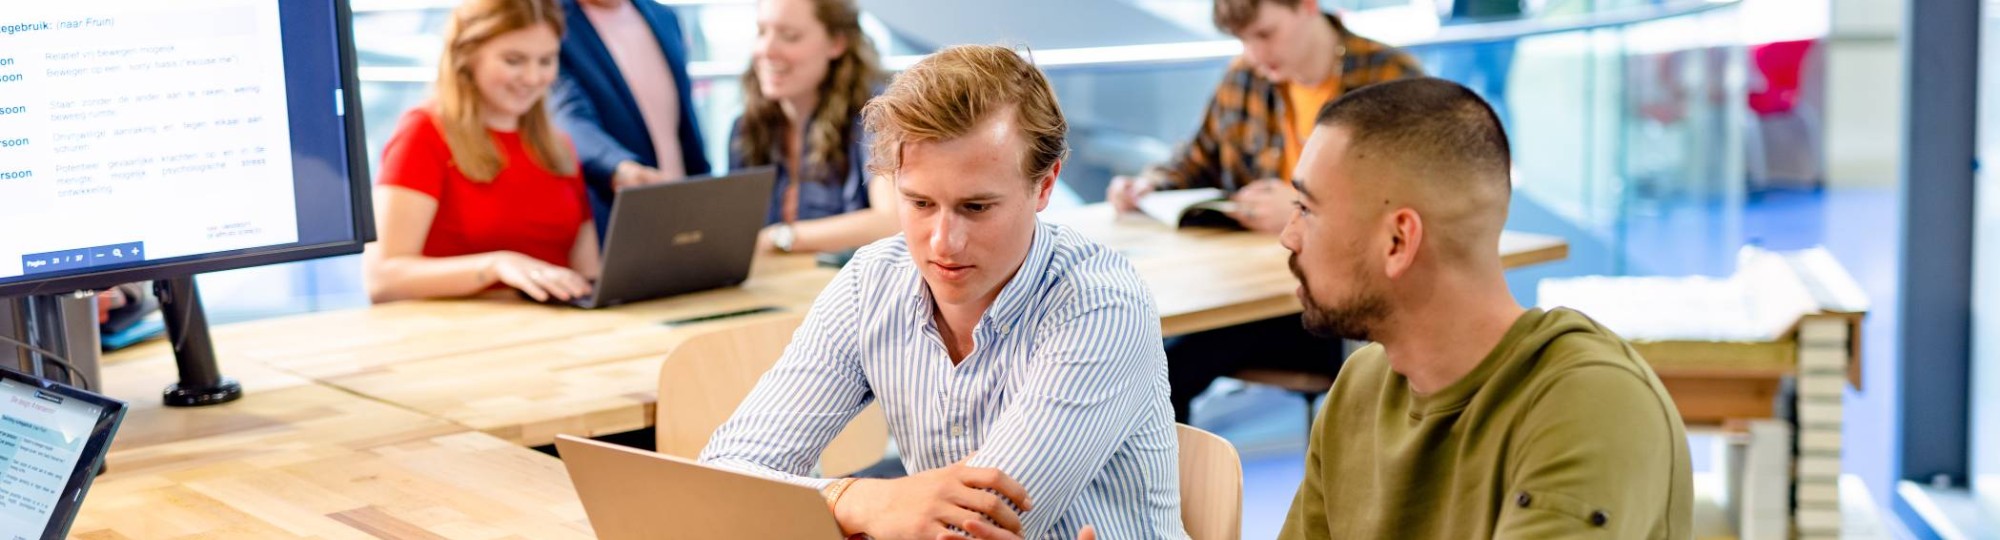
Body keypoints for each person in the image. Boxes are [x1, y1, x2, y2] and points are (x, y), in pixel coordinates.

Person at [699, 45, 1186, 540]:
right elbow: (723, 478)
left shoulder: (1100, 302)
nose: (943, 243)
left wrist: (843, 511)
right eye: (920, 203)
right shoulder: (871, 283)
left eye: (976, 207)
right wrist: (866, 499)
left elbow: (976, 529)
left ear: (1044, 186)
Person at [1275, 78, 1693, 538]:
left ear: (1398, 241)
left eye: (1306, 209)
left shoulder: (1594, 403)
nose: (1288, 236)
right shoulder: (1359, 387)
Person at [1105, 0, 1427, 423]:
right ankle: (1164, 489)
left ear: (1308, 7)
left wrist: (1306, 210)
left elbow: (1417, 201)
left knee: (1165, 368)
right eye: (1243, 40)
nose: (1255, 54)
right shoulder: (1245, 78)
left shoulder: (1389, 79)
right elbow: (1194, 160)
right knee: (1151, 366)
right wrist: (1149, 184)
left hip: (1351, 308)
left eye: (1265, 34)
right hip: (1261, 296)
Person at [365, 0, 597, 304]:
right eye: (514, 60)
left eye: (546, 61)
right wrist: (495, 266)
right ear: (468, 56)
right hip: (458, 336)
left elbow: (590, 272)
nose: (532, 77)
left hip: (558, 337)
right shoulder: (423, 133)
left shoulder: (559, 147)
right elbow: (382, 279)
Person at [731, 0, 897, 255]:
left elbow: (893, 221)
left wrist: (782, 238)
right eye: (761, 32)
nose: (766, 49)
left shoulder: (876, 115)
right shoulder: (746, 129)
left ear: (836, 43)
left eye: (790, 36)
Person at [548, 0, 711, 241]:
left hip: (681, 208)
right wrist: (619, 167)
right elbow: (568, 117)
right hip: (614, 215)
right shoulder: (554, 23)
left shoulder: (663, 17)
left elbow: (683, 122)